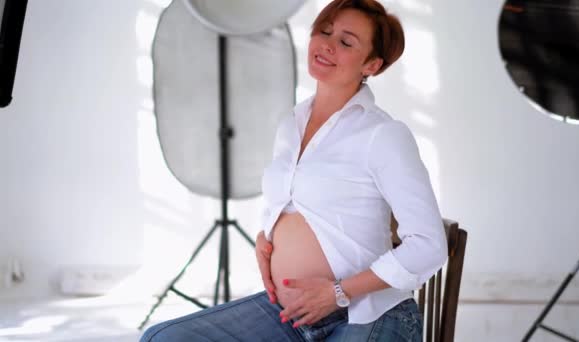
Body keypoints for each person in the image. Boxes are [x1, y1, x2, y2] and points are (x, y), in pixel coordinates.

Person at [140, 0, 447, 341]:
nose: (327, 44)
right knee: (163, 338)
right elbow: (294, 204)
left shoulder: (383, 135)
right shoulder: (291, 124)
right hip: (293, 315)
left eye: (346, 42)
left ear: (371, 65)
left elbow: (429, 245)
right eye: (325, 31)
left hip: (367, 313)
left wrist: (338, 293)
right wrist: (266, 237)